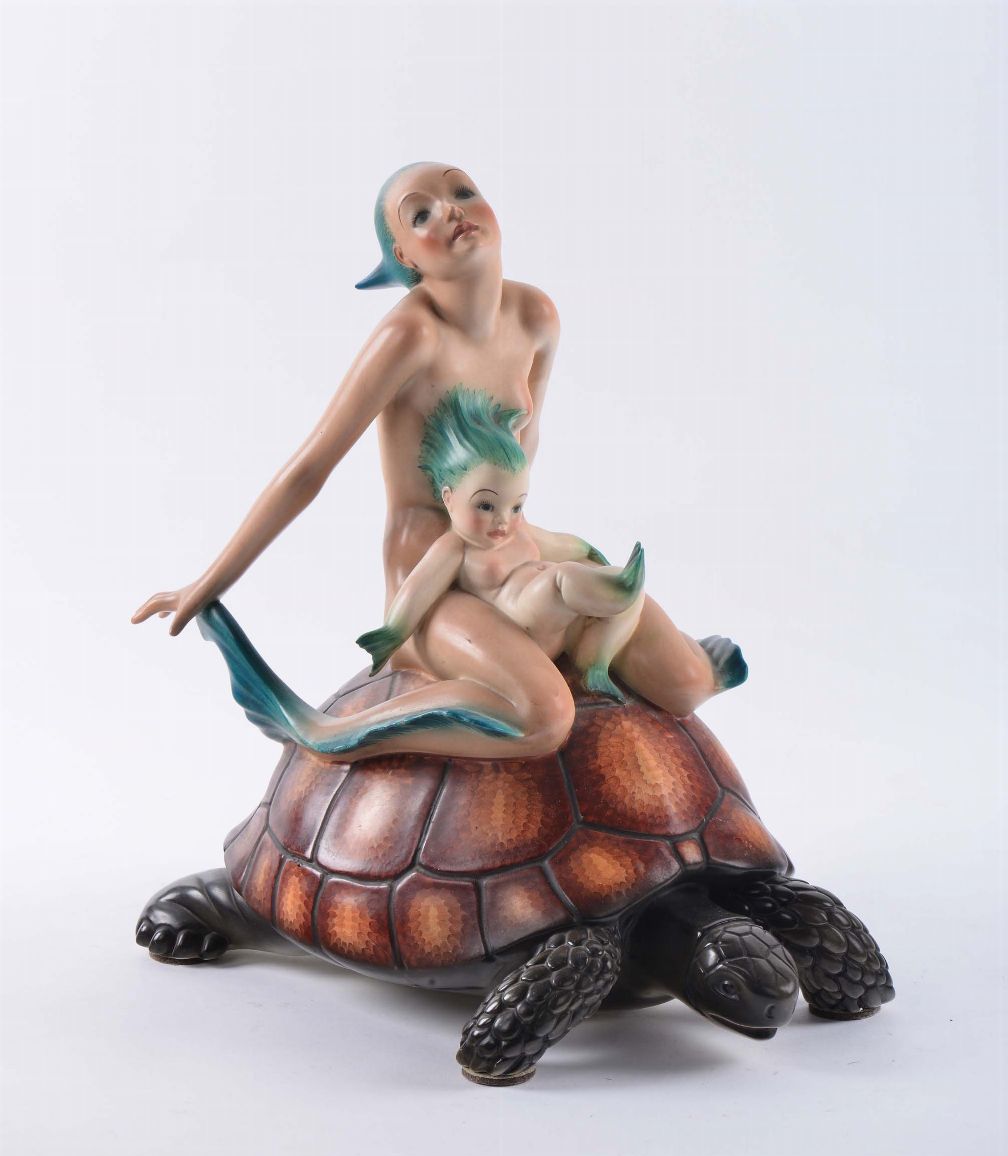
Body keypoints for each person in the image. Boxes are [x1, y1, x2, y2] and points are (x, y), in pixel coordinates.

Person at [133, 161, 746, 761]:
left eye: (463, 191)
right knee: (542, 716)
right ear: (405, 257)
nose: (451, 209)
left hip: (505, 542)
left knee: (686, 685)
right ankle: (333, 734)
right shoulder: (409, 337)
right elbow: (308, 470)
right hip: (432, 573)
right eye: (420, 214)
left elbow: (524, 447)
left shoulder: (536, 316)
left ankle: (688, 657)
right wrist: (209, 583)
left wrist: (537, 546)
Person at [195, 386, 649, 758]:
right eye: (485, 506)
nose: (503, 521)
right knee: (560, 586)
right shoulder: (454, 548)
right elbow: (418, 589)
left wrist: (587, 549)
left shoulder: (519, 532)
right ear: (449, 498)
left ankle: (599, 656)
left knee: (596, 586)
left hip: (544, 623)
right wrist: (393, 632)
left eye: (516, 506)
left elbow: (563, 542)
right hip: (516, 613)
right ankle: (343, 734)